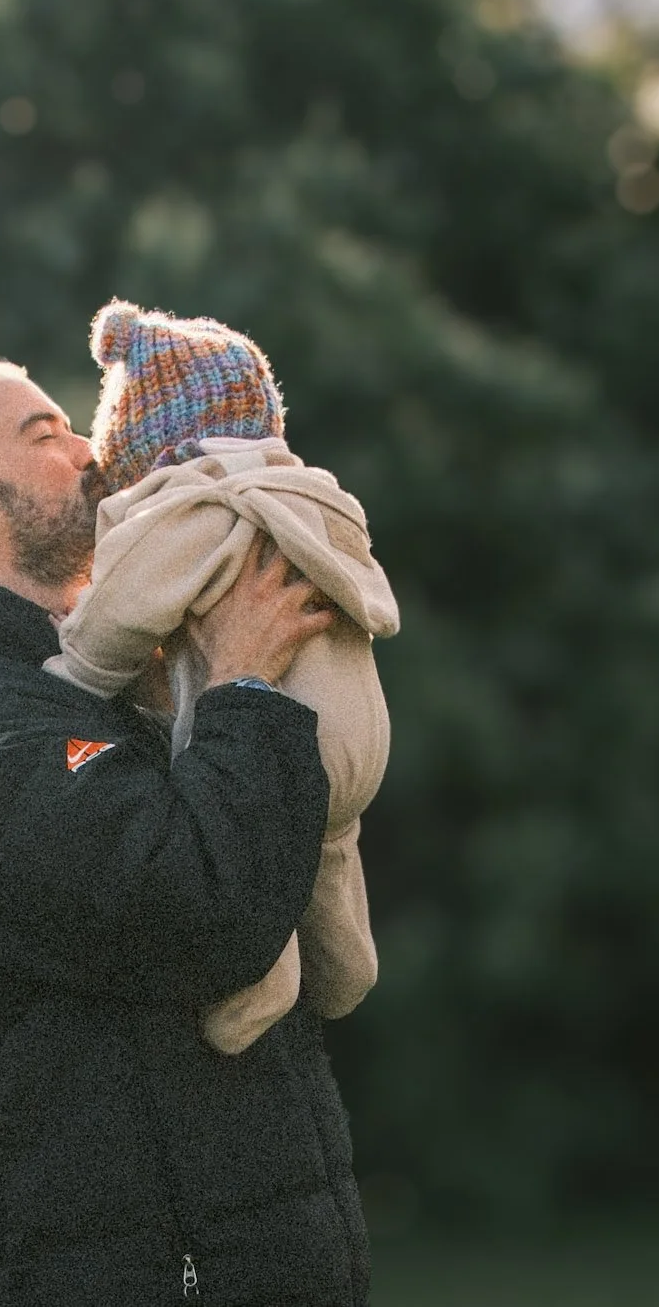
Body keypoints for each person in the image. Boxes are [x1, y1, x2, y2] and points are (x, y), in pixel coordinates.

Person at [0, 356, 372, 1305]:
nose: (92, 450)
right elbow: (211, 919)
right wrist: (246, 684)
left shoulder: (134, 681)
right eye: (44, 435)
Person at [48, 300, 398, 1056]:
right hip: (358, 732)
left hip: (282, 744)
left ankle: (256, 995)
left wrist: (72, 665)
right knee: (327, 842)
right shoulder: (308, 496)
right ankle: (348, 968)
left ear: (142, 456)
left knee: (252, 843)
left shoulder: (191, 508)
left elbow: (120, 611)